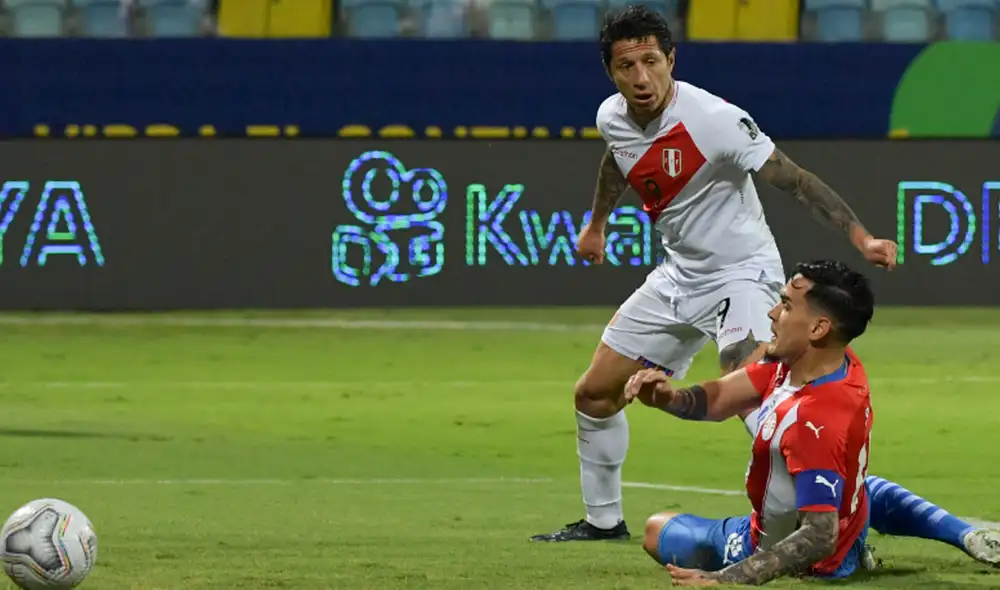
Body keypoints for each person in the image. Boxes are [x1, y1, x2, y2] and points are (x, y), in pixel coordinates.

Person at [530, 6, 898, 542]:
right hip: (677, 277)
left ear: (671, 59)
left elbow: (794, 180)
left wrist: (861, 237)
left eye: (651, 61)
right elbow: (618, 160)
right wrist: (597, 223)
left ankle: (845, 522)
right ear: (610, 72)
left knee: (761, 409)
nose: (640, 77)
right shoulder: (611, 116)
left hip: (740, 277)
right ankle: (603, 521)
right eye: (626, 65)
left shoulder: (715, 120)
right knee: (594, 394)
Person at [622, 261, 1000, 585]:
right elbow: (719, 398)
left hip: (800, 554)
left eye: (786, 305)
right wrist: (666, 397)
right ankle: (962, 532)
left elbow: (819, 536)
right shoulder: (824, 363)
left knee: (657, 529)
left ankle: (848, 557)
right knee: (861, 489)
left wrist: (726, 578)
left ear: (818, 329)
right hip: (846, 521)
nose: (772, 314)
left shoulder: (813, 419)